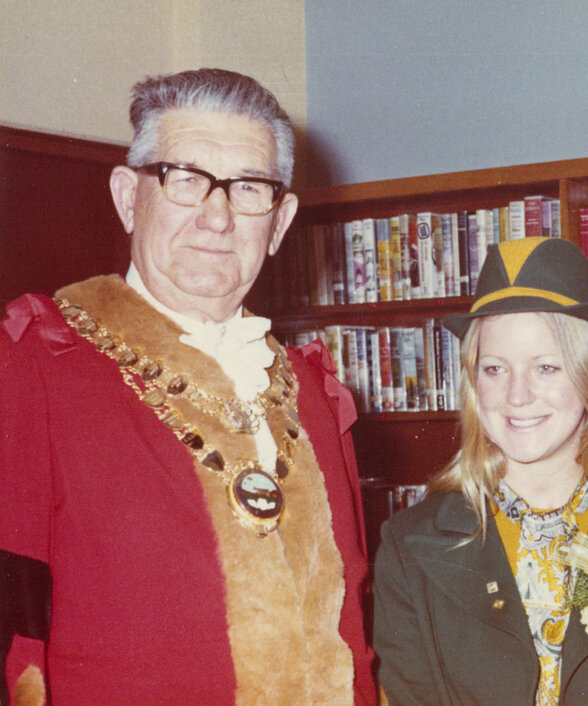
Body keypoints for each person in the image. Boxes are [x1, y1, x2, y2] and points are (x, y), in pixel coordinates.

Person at [0, 68, 375, 705]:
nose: (218, 216)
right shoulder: (35, 363)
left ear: (279, 222)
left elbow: (352, 638)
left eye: (249, 187)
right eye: (186, 179)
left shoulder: (315, 392)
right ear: (127, 197)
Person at [373, 236, 588, 705]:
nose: (517, 395)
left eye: (547, 368)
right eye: (494, 369)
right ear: (473, 383)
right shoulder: (411, 545)